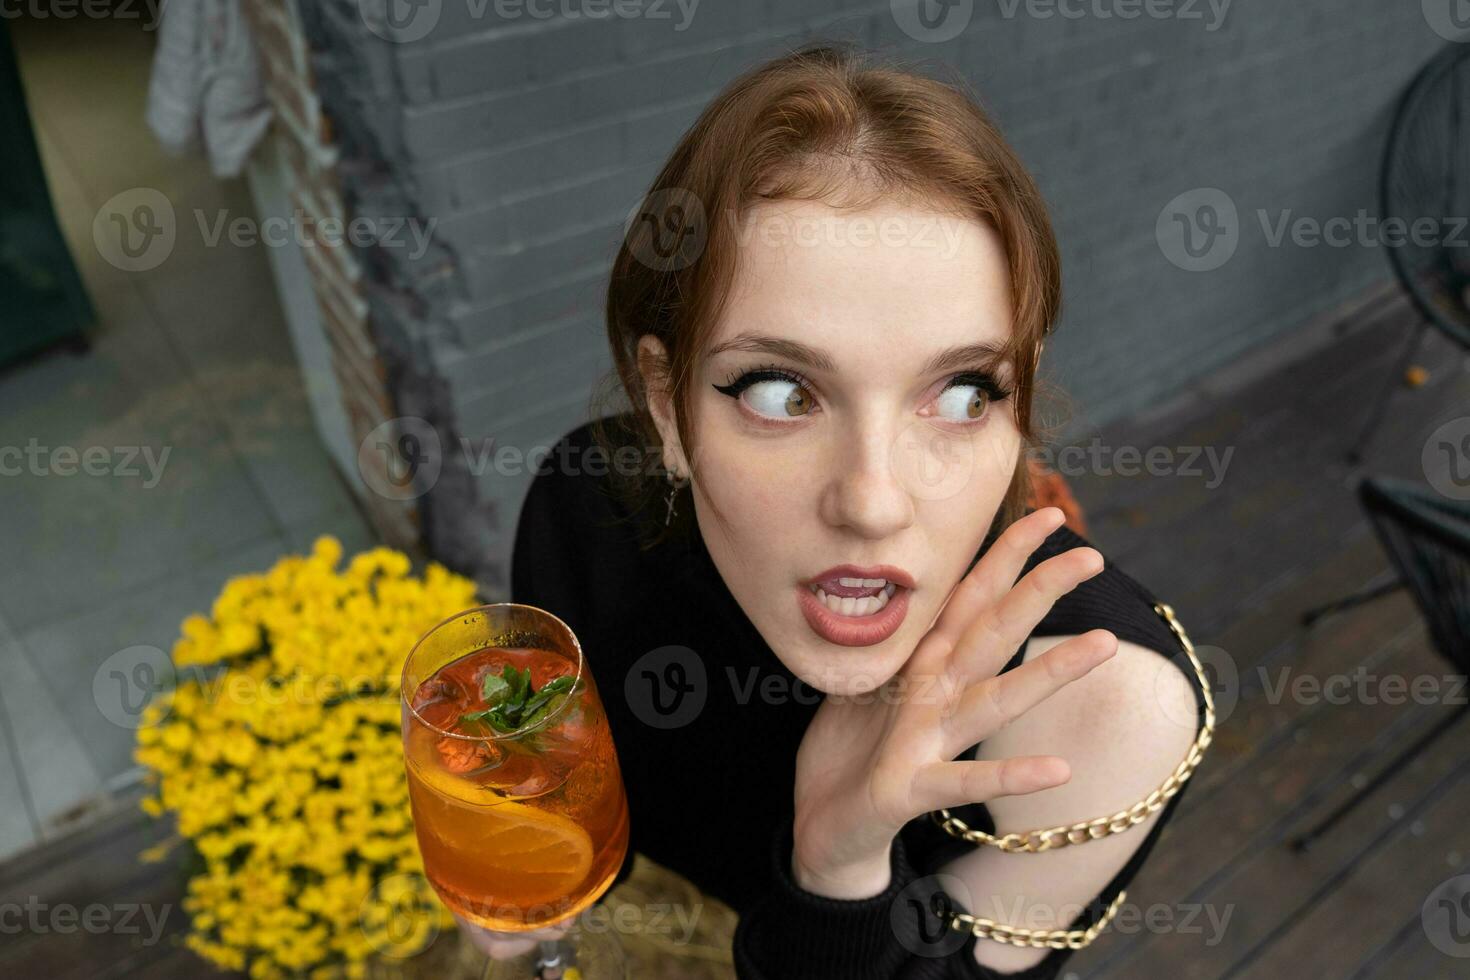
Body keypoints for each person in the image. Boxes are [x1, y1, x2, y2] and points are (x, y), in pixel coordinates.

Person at [456, 42, 1212, 979]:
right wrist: (538, 863)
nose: (873, 502)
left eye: (964, 392)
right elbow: (563, 778)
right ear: (667, 407)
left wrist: (840, 868)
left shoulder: (1098, 701)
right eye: (780, 394)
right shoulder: (590, 505)